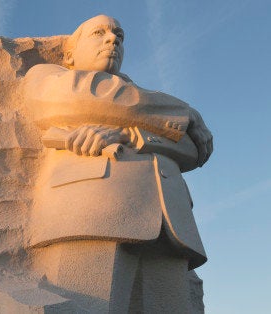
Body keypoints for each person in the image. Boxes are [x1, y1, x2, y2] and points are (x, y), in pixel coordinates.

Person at [21, 15, 213, 312]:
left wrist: (130, 134)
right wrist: (183, 111)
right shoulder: (47, 75)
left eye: (119, 35)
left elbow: (194, 148)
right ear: (70, 53)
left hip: (168, 221)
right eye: (99, 33)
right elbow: (74, 97)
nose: (113, 40)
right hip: (92, 212)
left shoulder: (145, 101)